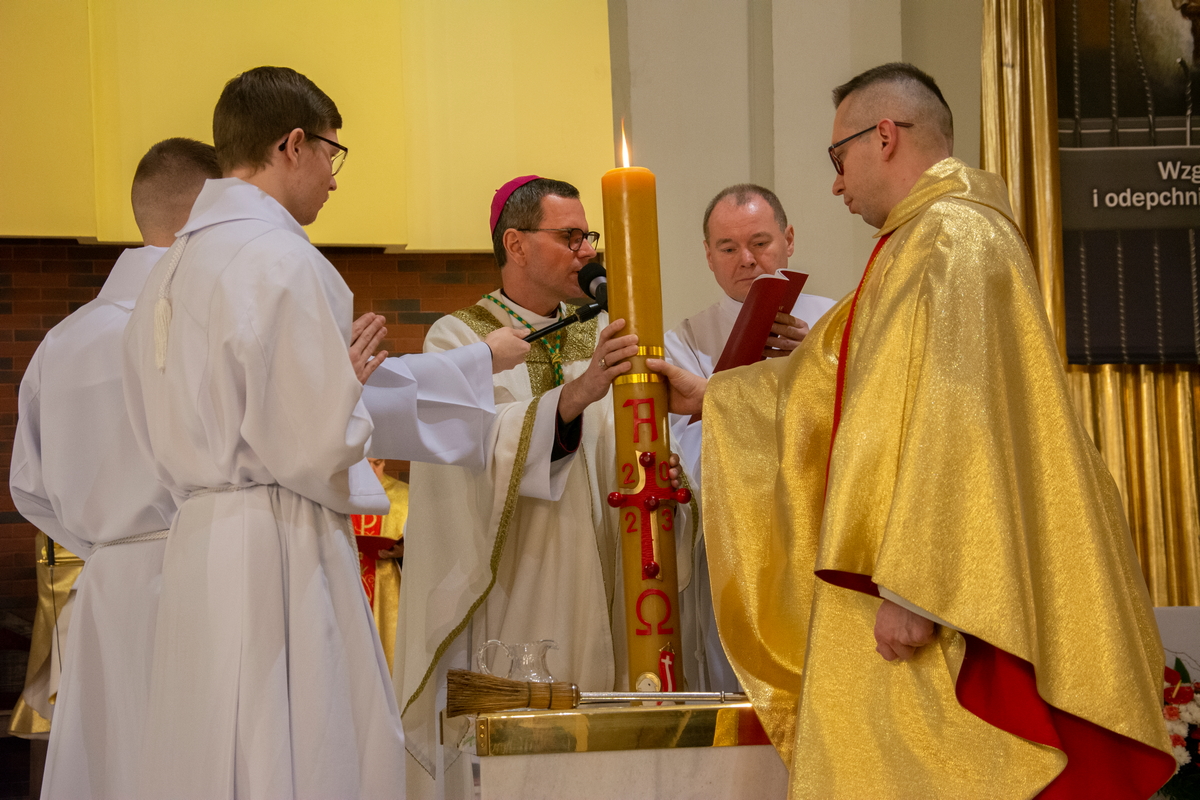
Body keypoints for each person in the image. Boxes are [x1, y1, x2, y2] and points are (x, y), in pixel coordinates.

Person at [649, 63, 1174, 798]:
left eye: (838, 157)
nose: (837, 184)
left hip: (932, 588)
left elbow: (954, 414)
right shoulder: (924, 239)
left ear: (885, 136)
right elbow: (835, 379)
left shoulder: (952, 237)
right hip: (910, 575)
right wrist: (713, 398)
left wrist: (915, 587)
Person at [122, 67, 527, 800]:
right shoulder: (282, 261)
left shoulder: (165, 269)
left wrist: (431, 372)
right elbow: (316, 442)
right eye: (331, 154)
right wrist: (338, 399)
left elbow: (280, 407)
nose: (334, 179)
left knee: (211, 754)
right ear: (292, 144)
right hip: (279, 546)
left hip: (197, 547)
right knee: (299, 752)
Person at [395, 175, 693, 798]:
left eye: (589, 236)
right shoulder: (460, 340)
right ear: (516, 244)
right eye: (571, 236)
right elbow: (468, 458)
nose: (588, 251)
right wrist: (575, 396)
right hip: (517, 584)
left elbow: (621, 448)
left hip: (607, 575)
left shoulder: (603, 331)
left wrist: (665, 479)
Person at [8, 138, 219, 798]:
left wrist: (109, 543)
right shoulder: (203, 327)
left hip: (105, 586)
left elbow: (29, 488)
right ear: (207, 210)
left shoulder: (61, 343)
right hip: (201, 578)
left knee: (112, 766)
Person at [664, 184, 835, 691]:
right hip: (738, 543)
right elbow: (684, 449)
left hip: (822, 537)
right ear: (709, 256)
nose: (747, 259)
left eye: (760, 242)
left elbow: (876, 421)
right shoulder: (686, 341)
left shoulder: (837, 323)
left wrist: (818, 364)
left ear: (788, 239)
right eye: (728, 247)